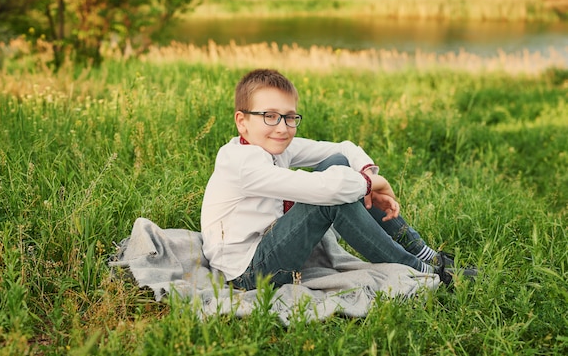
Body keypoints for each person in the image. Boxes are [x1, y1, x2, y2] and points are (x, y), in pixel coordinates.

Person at [201, 68, 476, 290]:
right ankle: (426, 273)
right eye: (269, 116)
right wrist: (372, 185)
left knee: (337, 166)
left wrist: (366, 175)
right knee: (330, 197)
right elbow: (328, 189)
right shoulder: (241, 163)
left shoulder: (272, 145)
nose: (282, 127)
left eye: (289, 117)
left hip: (272, 243)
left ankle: (424, 252)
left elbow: (343, 148)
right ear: (242, 121)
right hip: (249, 272)